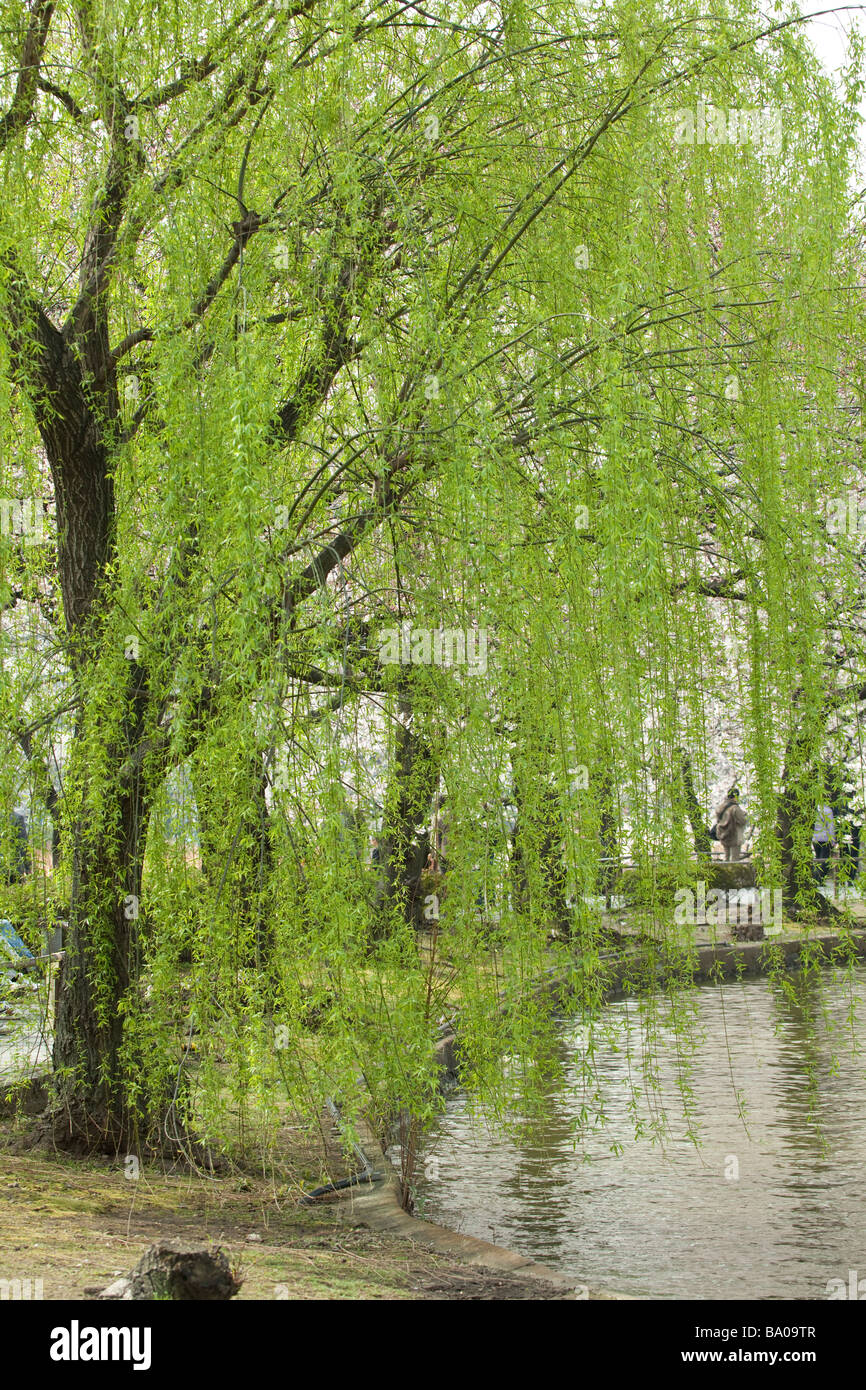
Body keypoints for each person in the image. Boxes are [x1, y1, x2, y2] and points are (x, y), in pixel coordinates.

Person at [715, 787, 748, 862]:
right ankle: (733, 872)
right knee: (735, 858)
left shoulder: (720, 807)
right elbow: (742, 821)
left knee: (726, 857)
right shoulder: (735, 808)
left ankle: (725, 872)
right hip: (734, 835)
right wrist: (744, 815)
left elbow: (718, 820)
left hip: (723, 835)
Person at [812, 803, 836, 884]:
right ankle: (820, 879)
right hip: (825, 838)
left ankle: (816, 879)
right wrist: (833, 840)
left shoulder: (813, 810)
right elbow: (830, 826)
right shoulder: (827, 810)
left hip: (815, 838)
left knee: (818, 859)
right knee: (824, 860)